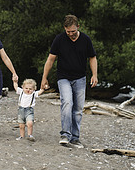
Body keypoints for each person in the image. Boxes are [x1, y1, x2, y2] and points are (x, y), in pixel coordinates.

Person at [40, 15, 98, 148]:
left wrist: (94, 75)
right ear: (64, 29)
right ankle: (65, 134)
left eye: (73, 31)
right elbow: (50, 60)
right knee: (67, 102)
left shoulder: (85, 40)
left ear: (78, 27)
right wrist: (44, 78)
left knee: (77, 109)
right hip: (63, 77)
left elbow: (92, 58)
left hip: (80, 78)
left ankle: (75, 138)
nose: (70, 34)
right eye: (68, 32)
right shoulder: (59, 39)